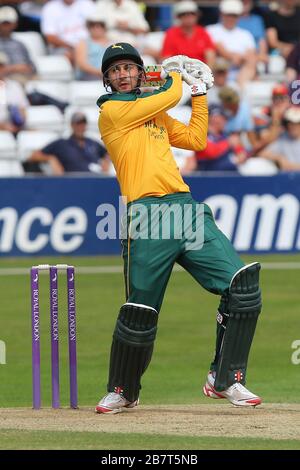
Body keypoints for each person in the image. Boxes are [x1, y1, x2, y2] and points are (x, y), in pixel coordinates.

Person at [94, 42, 262, 414]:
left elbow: (195, 140)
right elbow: (169, 93)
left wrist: (200, 94)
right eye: (115, 70)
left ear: (140, 73)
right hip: (146, 215)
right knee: (140, 311)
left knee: (242, 285)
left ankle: (226, 379)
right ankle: (123, 390)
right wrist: (176, 76)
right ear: (107, 80)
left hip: (184, 209)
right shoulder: (112, 112)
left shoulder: (152, 115)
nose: (123, 74)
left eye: (129, 68)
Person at [27, 111, 110, 174]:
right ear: (72, 125)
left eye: (83, 124)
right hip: (71, 184)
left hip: (95, 182)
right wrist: (51, 158)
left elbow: (109, 153)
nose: (80, 127)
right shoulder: (61, 144)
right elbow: (33, 156)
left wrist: (106, 163)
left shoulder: (92, 143)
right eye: (78, 124)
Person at [207, 0, 257, 88]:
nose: (230, 18)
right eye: (228, 15)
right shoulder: (211, 30)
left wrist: (238, 57)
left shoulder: (246, 34)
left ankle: (241, 89)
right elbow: (217, 48)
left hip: (240, 71)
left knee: (252, 61)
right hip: (218, 71)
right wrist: (231, 56)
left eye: (234, 15)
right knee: (218, 61)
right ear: (221, 14)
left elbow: (251, 54)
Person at [161, 0, 216, 69]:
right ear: (179, 17)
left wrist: (207, 74)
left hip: (200, 73)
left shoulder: (202, 32)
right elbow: (166, 59)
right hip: (178, 73)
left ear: (197, 16)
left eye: (192, 14)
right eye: (184, 14)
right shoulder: (171, 33)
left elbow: (210, 55)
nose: (189, 17)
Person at [0, 6, 36, 84]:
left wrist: (26, 68)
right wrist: (15, 68)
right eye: (4, 23)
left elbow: (31, 66)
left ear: (14, 24)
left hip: (26, 77)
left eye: (8, 23)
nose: (6, 27)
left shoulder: (20, 44)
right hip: (8, 80)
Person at [75, 13, 110, 81]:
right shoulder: (83, 43)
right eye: (92, 25)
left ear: (105, 27)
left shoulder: (113, 43)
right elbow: (82, 64)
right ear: (88, 27)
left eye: (100, 25)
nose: (96, 28)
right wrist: (102, 73)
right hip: (88, 80)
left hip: (109, 80)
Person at [0, 51, 28, 133]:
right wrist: (3, 127)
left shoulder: (15, 86)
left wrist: (18, 125)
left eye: (1, 66)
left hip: (16, 129)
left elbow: (23, 110)